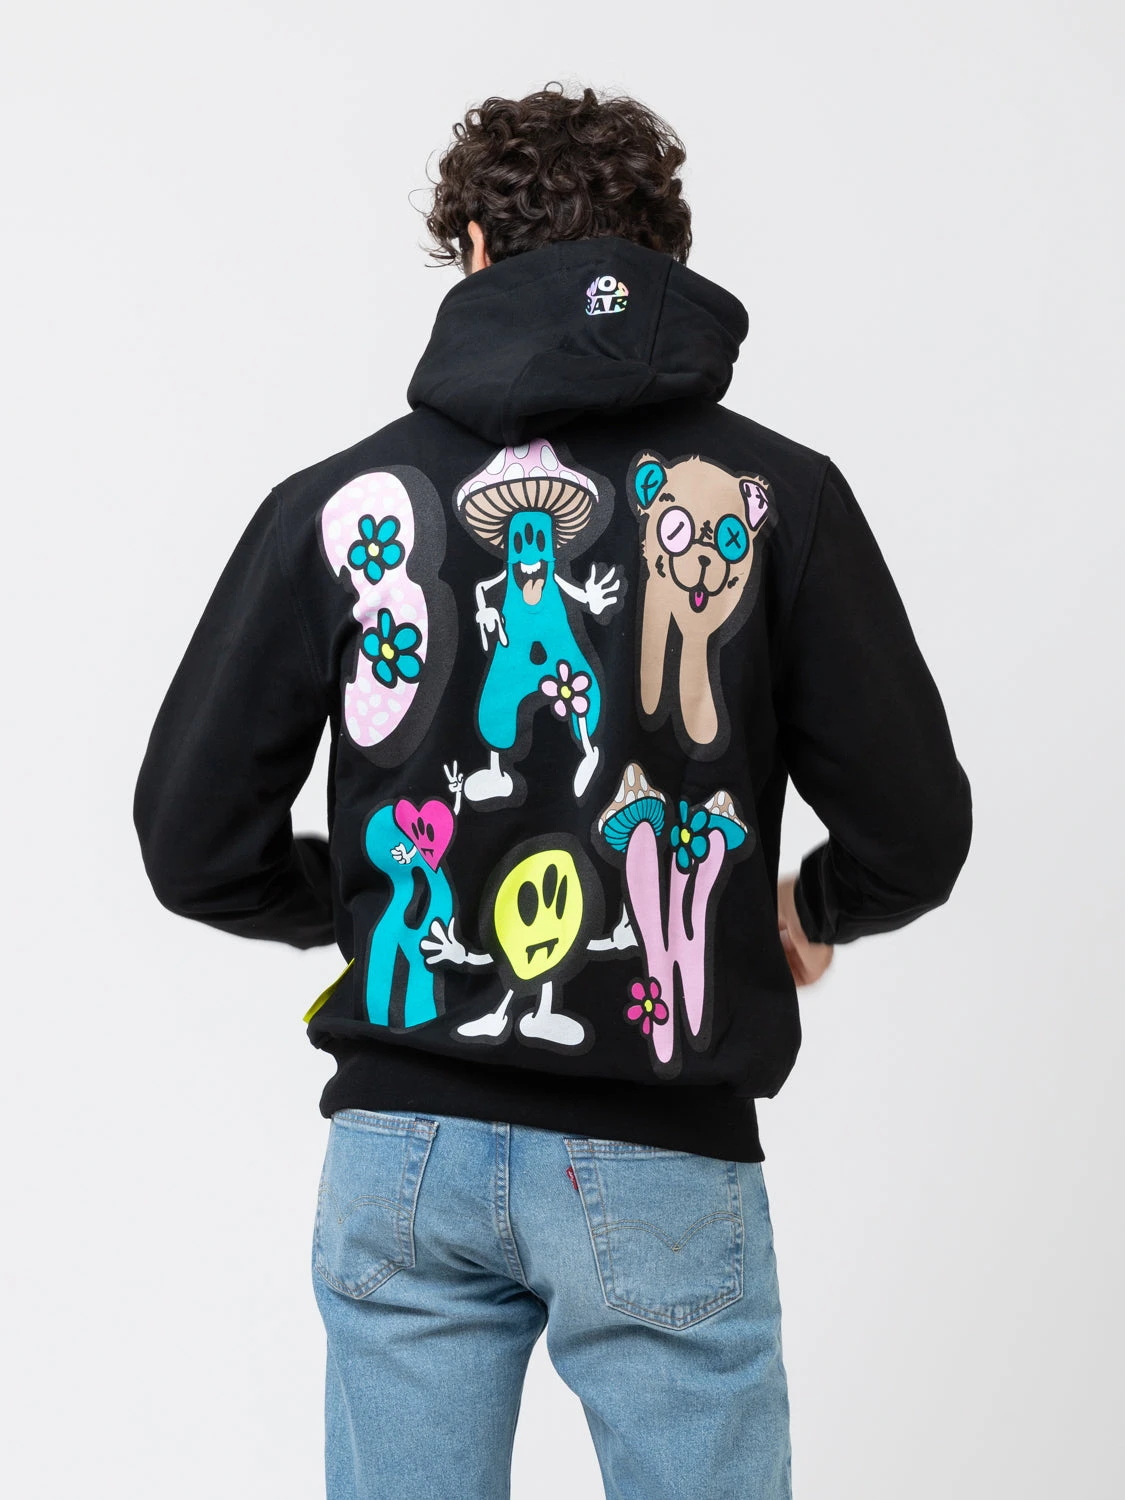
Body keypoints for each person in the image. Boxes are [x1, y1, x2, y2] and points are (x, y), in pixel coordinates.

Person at [134, 83, 971, 1500]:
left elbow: (188, 838)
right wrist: (811, 908)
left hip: (403, 1147)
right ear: (666, 260)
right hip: (661, 1148)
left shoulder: (340, 505)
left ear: (471, 251)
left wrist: (369, 903)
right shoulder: (778, 499)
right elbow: (919, 830)